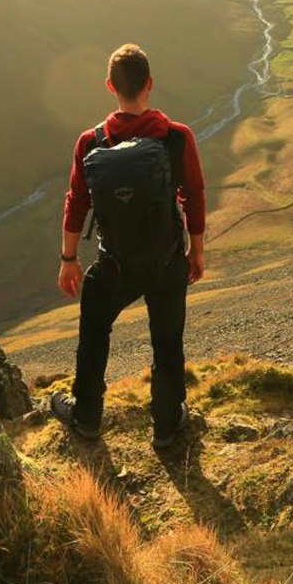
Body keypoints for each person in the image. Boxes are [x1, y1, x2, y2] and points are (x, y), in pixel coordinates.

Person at [51, 43, 206, 449]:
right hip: (166, 260)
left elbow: (77, 201)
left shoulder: (91, 142)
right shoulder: (176, 137)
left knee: (94, 330)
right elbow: (194, 193)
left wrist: (69, 259)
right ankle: (167, 425)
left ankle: (86, 417)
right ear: (149, 84)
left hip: (115, 264)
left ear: (110, 86)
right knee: (167, 341)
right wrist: (197, 250)